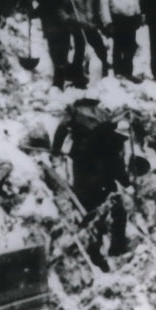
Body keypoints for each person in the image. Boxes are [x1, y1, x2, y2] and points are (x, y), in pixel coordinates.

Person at [52, 99, 131, 259]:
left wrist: (55, 151)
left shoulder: (84, 118)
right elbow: (115, 162)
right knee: (107, 207)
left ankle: (103, 246)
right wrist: (125, 182)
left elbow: (62, 129)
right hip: (92, 170)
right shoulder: (100, 128)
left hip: (87, 168)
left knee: (95, 207)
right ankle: (109, 246)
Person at [29, 0, 77, 89]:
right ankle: (60, 81)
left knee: (61, 55)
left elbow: (53, 2)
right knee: (55, 56)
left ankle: (62, 81)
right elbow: (42, 7)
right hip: (50, 28)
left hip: (62, 27)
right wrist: (32, 12)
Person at [99, 0, 142, 82]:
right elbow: (103, 2)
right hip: (117, 18)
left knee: (131, 45)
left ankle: (128, 72)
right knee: (118, 46)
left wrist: (138, 13)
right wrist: (107, 22)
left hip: (130, 16)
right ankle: (118, 73)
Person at [68, 0, 110, 79]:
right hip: (78, 28)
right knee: (80, 52)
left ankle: (104, 73)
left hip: (90, 27)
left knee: (101, 49)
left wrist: (100, 25)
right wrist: (71, 20)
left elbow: (95, 12)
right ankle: (77, 77)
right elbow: (62, 10)